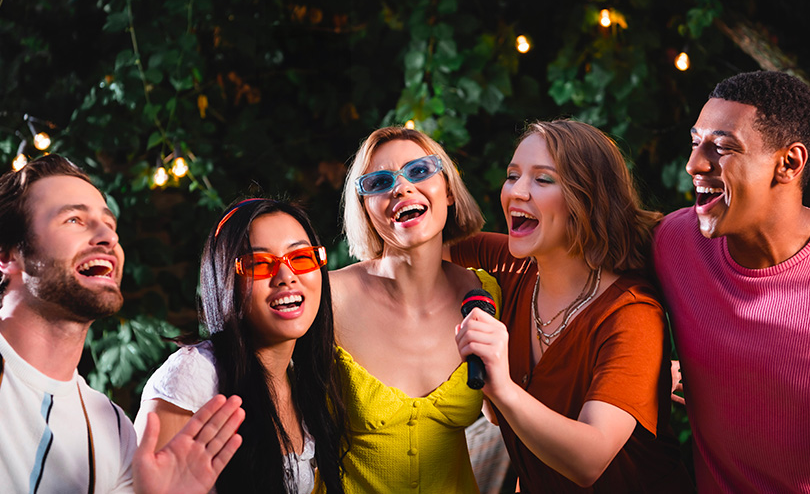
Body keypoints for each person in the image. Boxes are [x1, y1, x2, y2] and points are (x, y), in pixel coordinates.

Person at [451, 120, 692, 492]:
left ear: (588, 199)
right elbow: (419, 245)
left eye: (543, 180)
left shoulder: (631, 313)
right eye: (512, 175)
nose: (517, 191)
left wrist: (500, 386)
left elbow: (588, 460)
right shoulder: (514, 266)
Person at [0, 154, 244, 494]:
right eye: (74, 220)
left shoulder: (113, 429)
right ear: (8, 255)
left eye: (110, 225)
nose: (107, 237)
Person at [654, 71, 810, 493]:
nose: (694, 164)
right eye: (695, 142)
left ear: (789, 163)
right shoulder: (672, 242)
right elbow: (573, 250)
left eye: (721, 147)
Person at [330, 126, 502, 493]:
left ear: (450, 191)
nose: (401, 188)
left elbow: (500, 414)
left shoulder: (485, 295)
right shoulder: (329, 299)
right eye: (378, 182)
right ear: (365, 209)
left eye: (420, 171)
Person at [135, 198, 347, 493]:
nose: (286, 277)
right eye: (259, 264)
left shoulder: (303, 377)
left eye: (301, 258)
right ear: (225, 280)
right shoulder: (194, 374)